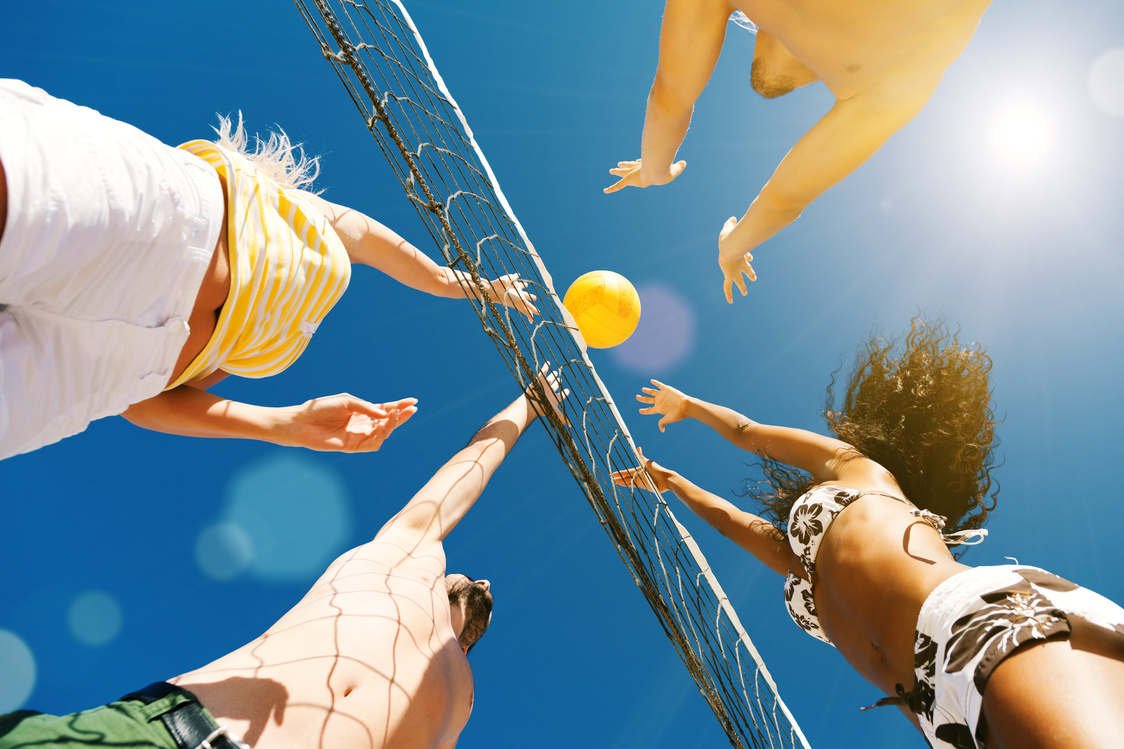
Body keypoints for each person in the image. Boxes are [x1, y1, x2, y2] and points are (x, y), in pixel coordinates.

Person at [611, 319, 1124, 748]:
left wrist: (689, 405)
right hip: (940, 717)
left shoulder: (858, 467)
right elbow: (729, 523)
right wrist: (670, 481)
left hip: (972, 618)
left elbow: (748, 433)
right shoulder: (799, 562)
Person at [0, 367, 566, 749]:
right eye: (476, 577)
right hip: (180, 733)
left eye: (485, 589)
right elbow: (469, 470)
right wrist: (529, 406)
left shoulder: (461, 701)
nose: (485, 582)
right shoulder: (410, 559)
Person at [0, 78, 538, 460]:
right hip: (168, 221)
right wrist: (471, 285)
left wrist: (286, 425)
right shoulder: (296, 210)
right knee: (20, 197)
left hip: (113, 374)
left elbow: (144, 405)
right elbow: (388, 250)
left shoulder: (268, 339)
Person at [604, 0, 993, 303]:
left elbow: (783, 202)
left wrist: (730, 248)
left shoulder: (898, 85)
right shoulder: (899, 84)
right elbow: (667, 103)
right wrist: (654, 168)